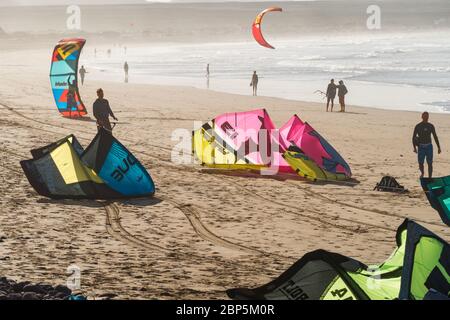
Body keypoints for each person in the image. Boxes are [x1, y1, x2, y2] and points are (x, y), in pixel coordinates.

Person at [412, 112, 441, 178]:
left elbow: (435, 136)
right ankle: (422, 173)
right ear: (422, 117)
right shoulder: (418, 126)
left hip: (429, 147)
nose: (426, 118)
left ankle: (430, 177)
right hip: (421, 147)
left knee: (430, 163)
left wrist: (438, 147)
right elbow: (413, 137)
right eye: (424, 116)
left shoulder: (431, 126)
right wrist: (414, 148)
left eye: (427, 117)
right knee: (420, 163)